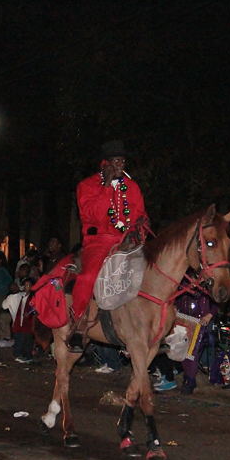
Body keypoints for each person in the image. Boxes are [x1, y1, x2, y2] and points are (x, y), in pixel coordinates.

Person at [69, 140, 148, 352]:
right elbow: (93, 215)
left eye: (122, 160)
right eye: (115, 161)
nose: (120, 165)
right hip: (99, 241)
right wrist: (106, 187)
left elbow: (140, 214)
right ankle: (78, 325)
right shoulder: (86, 186)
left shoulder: (132, 187)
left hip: (128, 240)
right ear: (104, 164)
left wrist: (138, 229)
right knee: (87, 277)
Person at [2, 276, 37, 363]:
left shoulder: (32, 297)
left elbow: (36, 307)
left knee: (27, 339)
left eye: (28, 286)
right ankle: (22, 355)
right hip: (20, 321)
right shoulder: (22, 296)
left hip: (28, 322)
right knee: (21, 338)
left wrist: (29, 313)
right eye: (25, 285)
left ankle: (27, 356)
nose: (26, 287)